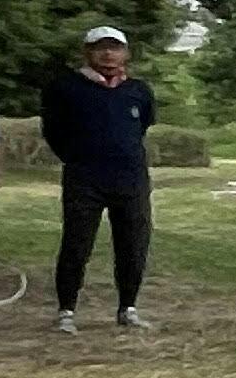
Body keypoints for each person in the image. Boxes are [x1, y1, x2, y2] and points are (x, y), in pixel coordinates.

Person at [40, 22, 159, 334]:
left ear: (126, 53)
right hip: (85, 178)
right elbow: (53, 130)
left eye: (115, 48)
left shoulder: (138, 90)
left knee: (133, 244)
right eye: (101, 48)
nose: (108, 54)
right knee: (77, 244)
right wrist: (77, 157)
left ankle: (128, 307)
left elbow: (142, 125)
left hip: (130, 178)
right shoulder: (66, 87)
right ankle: (66, 310)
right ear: (87, 52)